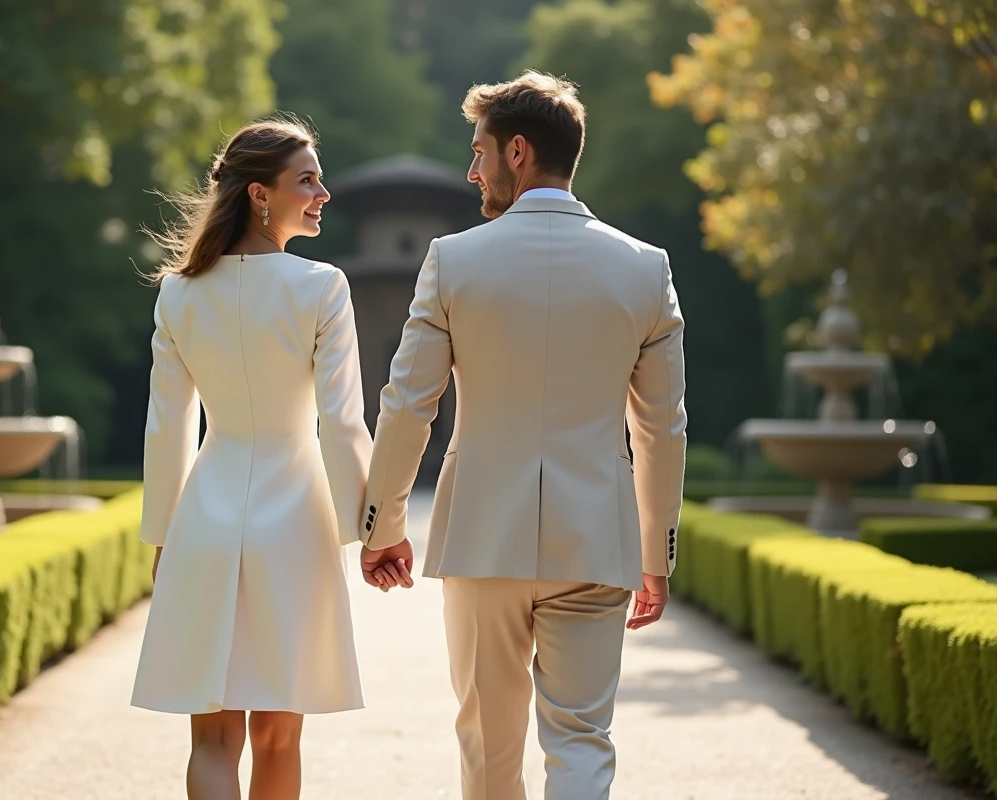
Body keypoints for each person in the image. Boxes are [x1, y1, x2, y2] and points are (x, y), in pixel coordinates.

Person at [359, 71, 688, 800]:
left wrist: (382, 522)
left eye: (478, 152)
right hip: (596, 542)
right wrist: (655, 548)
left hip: (483, 538)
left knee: (488, 744)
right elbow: (662, 425)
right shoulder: (646, 268)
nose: (471, 170)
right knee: (581, 739)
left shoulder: (453, 259)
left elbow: (409, 402)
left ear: (517, 150)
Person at [131, 116, 384, 800]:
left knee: (212, 741)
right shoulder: (323, 287)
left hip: (204, 525)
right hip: (294, 527)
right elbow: (343, 423)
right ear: (259, 194)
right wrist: (371, 531)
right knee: (279, 739)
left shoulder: (179, 294)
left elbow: (166, 427)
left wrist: (160, 534)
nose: (323, 192)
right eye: (308, 180)